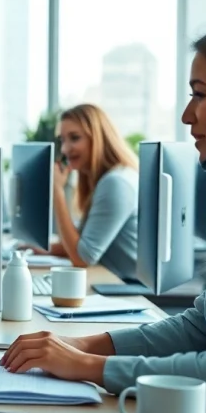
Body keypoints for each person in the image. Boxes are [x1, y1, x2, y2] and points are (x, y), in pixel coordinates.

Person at [1, 11, 206, 413]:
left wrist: (87, 366)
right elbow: (199, 327)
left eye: (199, 94)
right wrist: (83, 345)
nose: (187, 115)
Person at [37, 103, 139, 281]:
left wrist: (57, 190)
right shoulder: (107, 178)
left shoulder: (116, 183)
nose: (65, 149)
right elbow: (82, 244)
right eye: (62, 140)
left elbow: (82, 258)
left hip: (128, 288)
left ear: (98, 138)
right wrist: (38, 249)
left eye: (74, 138)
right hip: (112, 281)